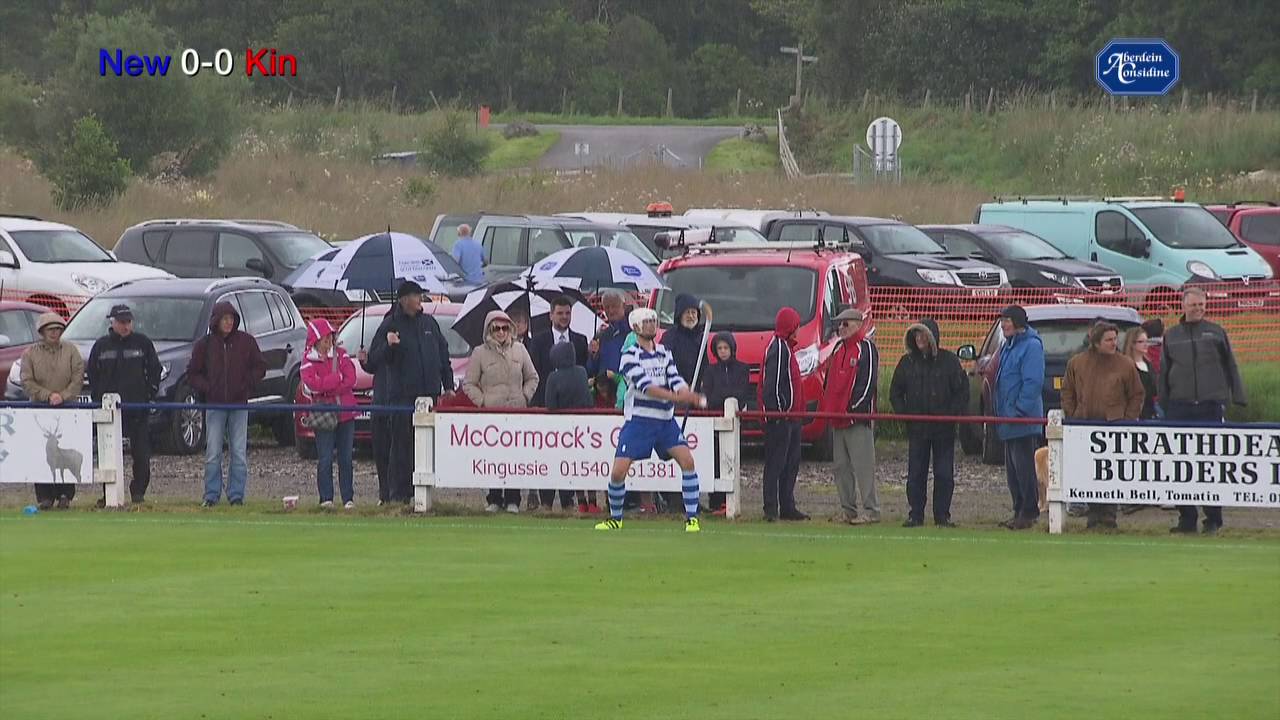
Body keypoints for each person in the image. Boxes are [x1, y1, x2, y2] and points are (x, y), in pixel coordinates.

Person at [595, 308, 706, 533]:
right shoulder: (629, 356)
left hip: (665, 421)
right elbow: (647, 387)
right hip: (639, 420)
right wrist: (678, 397)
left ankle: (692, 518)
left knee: (688, 462)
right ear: (635, 327)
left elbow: (675, 378)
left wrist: (685, 391)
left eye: (654, 321)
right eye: (647, 322)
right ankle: (616, 518)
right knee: (618, 472)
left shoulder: (665, 352)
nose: (651, 325)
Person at [1159, 286, 1247, 535]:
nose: (1198, 309)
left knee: (1211, 463)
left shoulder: (1216, 332)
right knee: (1180, 464)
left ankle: (1213, 518)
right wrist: (1164, 404)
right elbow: (1164, 372)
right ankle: (1186, 518)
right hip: (1180, 406)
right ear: (1183, 305)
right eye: (1194, 304)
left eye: (1202, 304)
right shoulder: (1171, 335)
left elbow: (1231, 365)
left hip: (1210, 405)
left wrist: (1237, 397)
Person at [366, 281, 454, 505]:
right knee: (401, 448)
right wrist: (389, 345)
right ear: (404, 299)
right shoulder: (390, 325)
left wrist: (449, 385)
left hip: (429, 396)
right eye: (416, 296)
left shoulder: (429, 323)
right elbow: (374, 359)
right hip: (403, 398)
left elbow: (443, 355)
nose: (420, 300)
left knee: (424, 449)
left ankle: (421, 492)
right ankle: (398, 495)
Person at [1060, 321, 1145, 529]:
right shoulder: (1077, 363)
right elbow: (1067, 392)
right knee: (1088, 472)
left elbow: (1136, 394)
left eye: (1115, 339)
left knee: (1109, 473)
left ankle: (1108, 516)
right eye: (1108, 339)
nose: (1113, 343)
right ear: (1096, 342)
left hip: (1114, 427)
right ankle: (1093, 514)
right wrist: (1073, 415)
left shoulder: (1125, 364)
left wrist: (1128, 420)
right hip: (1084, 426)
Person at [890, 318, 967, 528]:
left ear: (932, 338)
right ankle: (916, 514)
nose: (919, 339)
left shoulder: (950, 361)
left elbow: (962, 392)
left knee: (943, 473)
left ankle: (942, 516)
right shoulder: (906, 363)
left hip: (944, 429)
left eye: (923, 335)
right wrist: (905, 415)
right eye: (916, 335)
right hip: (917, 429)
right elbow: (895, 392)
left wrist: (950, 416)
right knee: (915, 474)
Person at [187, 302, 266, 507]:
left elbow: (260, 367)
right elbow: (193, 373)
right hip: (214, 405)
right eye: (225, 318)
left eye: (231, 318)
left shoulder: (246, 342)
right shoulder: (204, 345)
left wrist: (246, 385)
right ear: (216, 320)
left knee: (239, 453)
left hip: (239, 404)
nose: (229, 322)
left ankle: (236, 495)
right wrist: (208, 388)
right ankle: (211, 495)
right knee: (213, 452)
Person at [462, 310, 538, 513]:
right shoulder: (479, 353)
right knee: (493, 457)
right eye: (497, 328)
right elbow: (469, 383)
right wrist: (482, 401)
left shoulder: (520, 350)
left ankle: (513, 499)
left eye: (505, 328)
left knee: (514, 457)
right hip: (492, 415)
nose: (501, 332)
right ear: (489, 329)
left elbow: (533, 377)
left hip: (517, 412)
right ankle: (494, 498)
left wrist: (525, 396)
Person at [86, 304, 162, 505]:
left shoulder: (143, 343)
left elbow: (155, 369)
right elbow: (92, 373)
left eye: (128, 322)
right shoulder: (101, 346)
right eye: (121, 322)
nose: (126, 326)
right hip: (108, 410)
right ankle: (109, 493)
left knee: (142, 454)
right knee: (107, 454)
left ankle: (138, 493)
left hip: (137, 409)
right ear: (112, 322)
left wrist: (149, 394)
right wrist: (99, 397)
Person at [818, 309, 881, 525]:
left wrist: (855, 409)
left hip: (857, 419)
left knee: (863, 466)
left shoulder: (867, 349)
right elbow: (830, 383)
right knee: (841, 467)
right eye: (839, 324)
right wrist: (829, 409)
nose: (841, 328)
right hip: (838, 418)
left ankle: (871, 510)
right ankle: (848, 509)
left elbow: (869, 382)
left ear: (857, 324)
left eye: (845, 324)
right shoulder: (838, 349)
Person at [529, 295, 588, 510]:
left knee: (569, 458)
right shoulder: (539, 340)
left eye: (567, 313)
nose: (564, 317)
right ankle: (545, 501)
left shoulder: (580, 341)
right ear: (551, 315)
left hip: (573, 413)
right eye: (560, 313)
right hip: (547, 409)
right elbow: (535, 373)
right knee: (547, 456)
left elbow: (583, 374)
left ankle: (567, 499)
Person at [20, 313, 84, 510]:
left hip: (67, 408)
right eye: (50, 329)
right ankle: (45, 496)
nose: (55, 333)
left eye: (58, 329)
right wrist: (47, 395)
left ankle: (66, 494)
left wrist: (63, 396)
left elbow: (78, 377)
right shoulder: (29, 354)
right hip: (39, 409)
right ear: (42, 332)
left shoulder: (72, 351)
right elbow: (27, 380)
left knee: (66, 453)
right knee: (43, 455)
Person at [993, 305, 1045, 531]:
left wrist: (1018, 411)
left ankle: (1029, 511)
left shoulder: (1031, 346)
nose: (1003, 324)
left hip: (1021, 420)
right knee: (1012, 470)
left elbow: (1032, 383)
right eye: (1002, 320)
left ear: (1018, 322)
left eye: (1007, 320)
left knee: (1023, 467)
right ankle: (1018, 509)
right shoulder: (1007, 347)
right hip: (1008, 418)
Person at [301, 318, 359, 510]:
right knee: (324, 458)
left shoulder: (342, 356)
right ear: (315, 340)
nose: (328, 343)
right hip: (324, 416)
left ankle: (348, 498)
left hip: (345, 414)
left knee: (346, 458)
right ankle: (326, 498)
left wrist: (326, 387)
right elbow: (311, 385)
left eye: (330, 338)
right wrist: (335, 380)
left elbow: (351, 379)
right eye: (325, 339)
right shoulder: (307, 361)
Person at [759, 307, 807, 522]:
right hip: (782, 419)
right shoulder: (779, 349)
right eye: (796, 325)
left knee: (790, 463)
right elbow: (773, 385)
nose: (798, 330)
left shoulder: (783, 347)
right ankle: (771, 507)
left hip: (790, 417)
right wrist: (781, 412)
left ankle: (786, 505)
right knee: (777, 463)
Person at [544, 338, 599, 514]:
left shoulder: (553, 377)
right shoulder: (582, 372)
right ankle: (592, 501)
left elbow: (550, 405)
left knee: (573, 466)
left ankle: (581, 501)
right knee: (586, 465)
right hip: (585, 427)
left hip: (565, 430)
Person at [702, 332, 751, 514]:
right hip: (715, 421)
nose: (722, 352)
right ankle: (715, 501)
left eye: (725, 348)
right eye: (719, 348)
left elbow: (741, 393)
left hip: (734, 422)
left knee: (730, 460)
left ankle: (729, 501)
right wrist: (725, 396)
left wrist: (724, 396)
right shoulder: (710, 371)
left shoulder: (742, 369)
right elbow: (709, 395)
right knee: (715, 461)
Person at [587, 290, 632, 407]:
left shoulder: (633, 333)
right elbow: (591, 369)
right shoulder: (601, 335)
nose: (611, 310)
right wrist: (593, 354)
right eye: (607, 307)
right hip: (604, 394)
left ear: (624, 306)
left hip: (626, 391)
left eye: (614, 306)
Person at [1123, 326, 1159, 420]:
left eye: (1146, 341)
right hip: (1132, 415)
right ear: (1132, 344)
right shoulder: (1126, 366)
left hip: (1149, 413)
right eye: (1141, 342)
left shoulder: (1149, 364)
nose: (1145, 344)